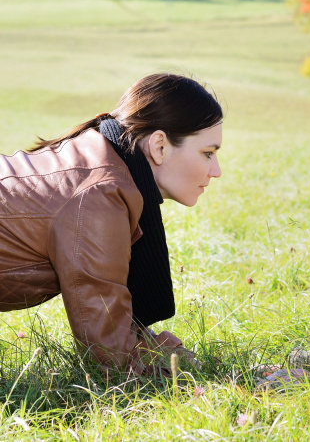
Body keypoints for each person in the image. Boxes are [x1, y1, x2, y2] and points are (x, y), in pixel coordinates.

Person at [0, 73, 223, 374]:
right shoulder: (100, 194)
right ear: (159, 146)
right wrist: (210, 382)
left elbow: (114, 320)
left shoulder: (106, 159)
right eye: (207, 153)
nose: (217, 170)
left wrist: (172, 354)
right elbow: (110, 359)